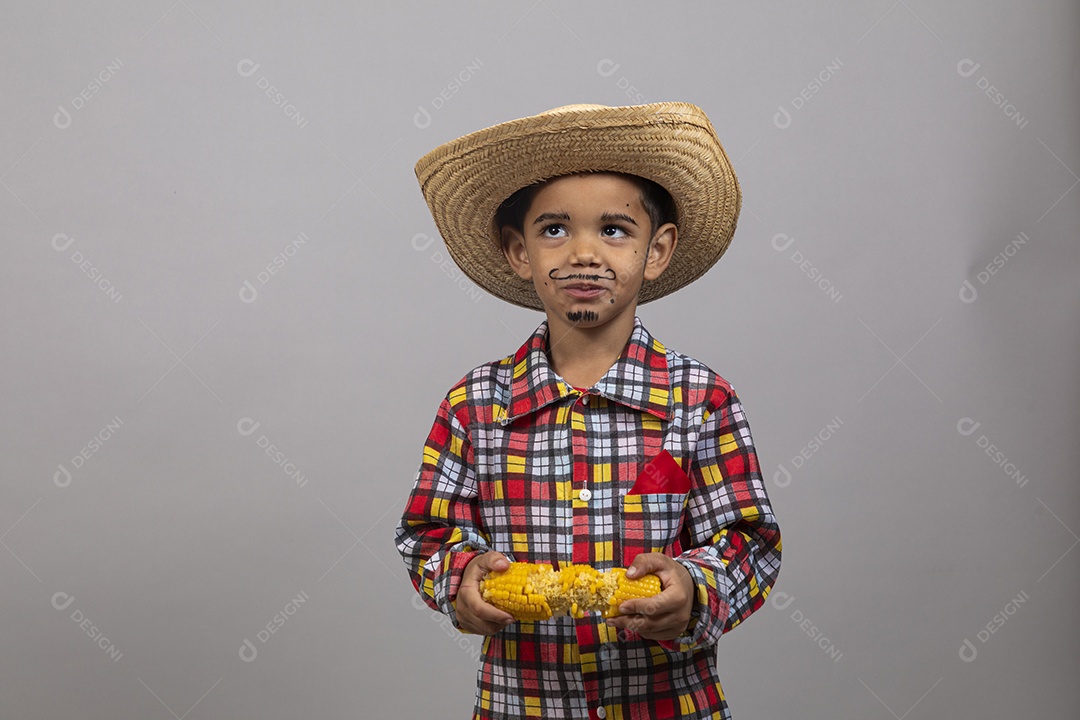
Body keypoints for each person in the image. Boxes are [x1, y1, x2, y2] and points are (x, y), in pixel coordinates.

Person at [395, 102, 781, 720]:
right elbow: (428, 533)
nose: (582, 253)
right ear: (519, 252)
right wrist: (459, 578)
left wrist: (695, 588)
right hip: (521, 705)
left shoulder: (702, 400)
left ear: (656, 251)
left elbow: (748, 540)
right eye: (553, 230)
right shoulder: (473, 406)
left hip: (670, 705)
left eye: (614, 229)